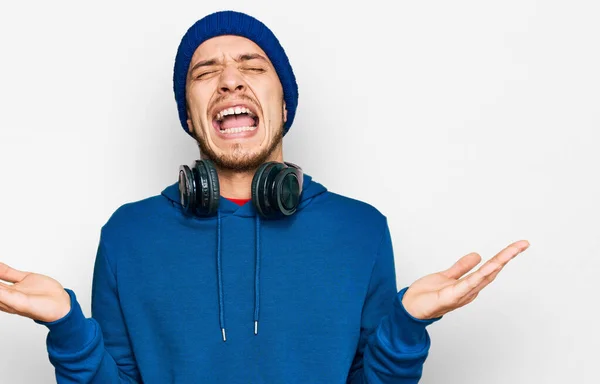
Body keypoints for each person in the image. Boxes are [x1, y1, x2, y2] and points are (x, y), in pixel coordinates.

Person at [0, 10, 529, 384]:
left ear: (284, 101)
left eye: (253, 68)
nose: (229, 82)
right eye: (206, 73)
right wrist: (68, 330)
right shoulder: (128, 235)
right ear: (189, 114)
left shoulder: (359, 230)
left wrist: (406, 327)